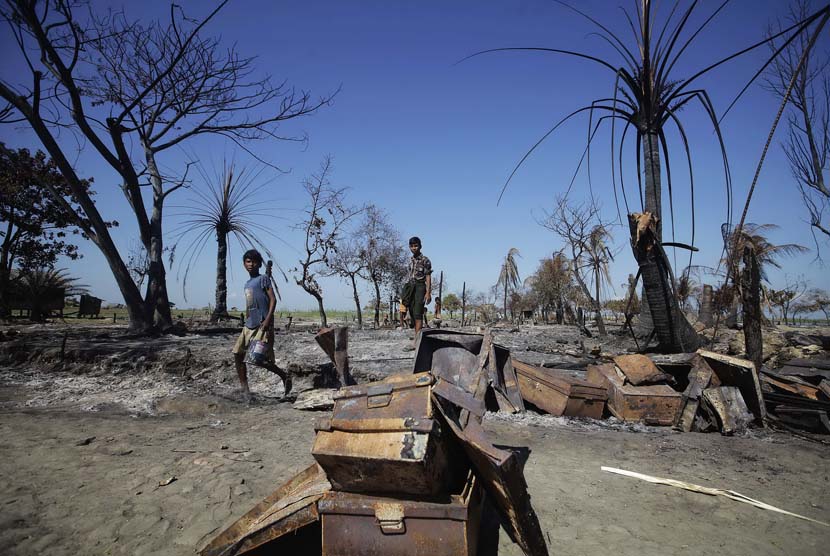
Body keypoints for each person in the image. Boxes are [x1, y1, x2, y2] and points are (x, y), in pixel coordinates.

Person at [232, 249, 292, 402]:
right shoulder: (247, 284)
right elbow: (249, 304)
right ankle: (245, 391)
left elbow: (273, 299)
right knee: (237, 355)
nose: (250, 264)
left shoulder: (263, 279)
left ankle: (284, 376)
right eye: (247, 261)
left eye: (254, 261)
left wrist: (267, 321)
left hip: (261, 325)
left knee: (256, 358)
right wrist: (246, 320)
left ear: (259, 264)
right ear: (244, 264)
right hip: (249, 325)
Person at [401, 236, 432, 350]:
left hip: (420, 287)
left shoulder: (425, 260)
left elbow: (428, 276)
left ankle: (416, 343)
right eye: (412, 246)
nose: (414, 248)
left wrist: (428, 293)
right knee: (412, 313)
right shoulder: (411, 260)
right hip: (410, 286)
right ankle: (417, 338)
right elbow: (409, 275)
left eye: (416, 245)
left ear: (420, 246)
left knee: (418, 313)